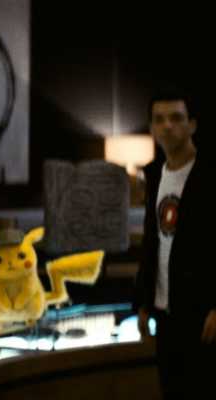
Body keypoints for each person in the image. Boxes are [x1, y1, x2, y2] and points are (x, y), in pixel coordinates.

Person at [134, 89, 216, 398]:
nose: (167, 126)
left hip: (203, 313)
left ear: (192, 125)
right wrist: (143, 302)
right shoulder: (154, 175)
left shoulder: (209, 174)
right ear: (152, 128)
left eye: (176, 118)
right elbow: (152, 241)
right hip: (165, 312)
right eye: (159, 120)